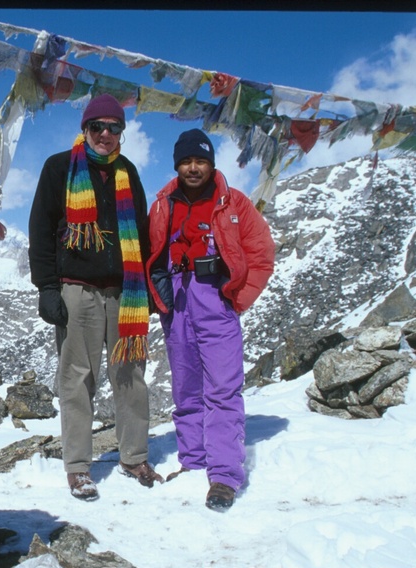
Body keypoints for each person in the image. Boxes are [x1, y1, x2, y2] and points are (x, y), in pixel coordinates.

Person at [28, 93, 164, 501]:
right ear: (84, 129)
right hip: (78, 291)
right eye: (97, 127)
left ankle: (134, 455)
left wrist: (148, 287)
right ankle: (78, 467)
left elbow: (139, 233)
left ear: (122, 132)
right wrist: (48, 288)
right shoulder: (59, 169)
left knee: (130, 377)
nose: (105, 134)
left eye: (114, 127)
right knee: (76, 381)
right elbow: (41, 229)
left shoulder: (128, 173)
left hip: (125, 293)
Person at [146, 129, 275, 511]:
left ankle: (223, 476)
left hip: (216, 300)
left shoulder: (233, 203)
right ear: (177, 165)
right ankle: (193, 461)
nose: (193, 167)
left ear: (211, 163)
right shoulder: (162, 203)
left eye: (200, 160)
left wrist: (237, 300)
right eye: (186, 161)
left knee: (222, 389)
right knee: (186, 389)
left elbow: (261, 254)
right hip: (177, 303)